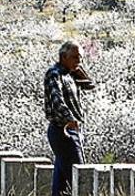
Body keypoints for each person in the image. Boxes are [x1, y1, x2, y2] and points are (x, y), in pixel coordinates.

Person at [44, 41, 96, 196]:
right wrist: (71, 120)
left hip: (70, 130)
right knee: (79, 178)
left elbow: (90, 86)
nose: (78, 62)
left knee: (61, 186)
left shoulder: (70, 74)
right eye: (74, 57)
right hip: (64, 130)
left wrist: (81, 72)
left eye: (80, 58)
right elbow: (57, 101)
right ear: (63, 57)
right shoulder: (55, 74)